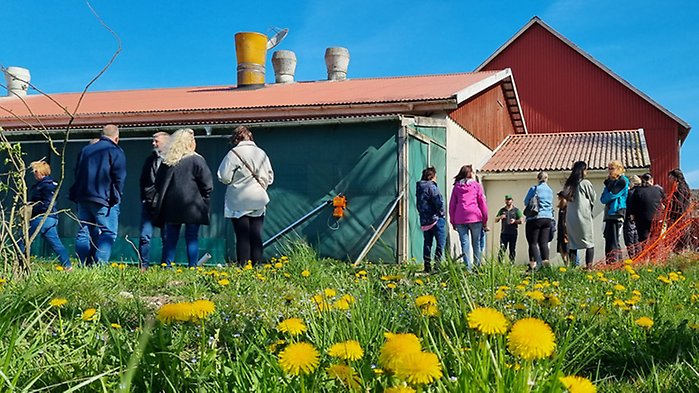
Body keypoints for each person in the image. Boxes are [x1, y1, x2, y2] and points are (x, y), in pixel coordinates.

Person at [153, 128, 213, 267]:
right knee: (192, 237)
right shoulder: (196, 160)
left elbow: (158, 184)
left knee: (171, 238)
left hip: (171, 205)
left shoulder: (167, 161)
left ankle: (167, 265)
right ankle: (193, 266)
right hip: (192, 204)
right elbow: (207, 184)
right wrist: (204, 199)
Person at [69, 124, 126, 265]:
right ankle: (100, 265)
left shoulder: (86, 150)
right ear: (116, 138)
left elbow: (76, 172)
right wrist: (117, 194)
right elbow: (119, 176)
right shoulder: (115, 150)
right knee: (108, 232)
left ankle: (83, 264)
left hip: (83, 196)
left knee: (84, 231)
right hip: (104, 198)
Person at [217, 126, 274, 266]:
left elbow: (223, 176)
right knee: (256, 234)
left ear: (236, 139)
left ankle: (243, 266)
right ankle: (258, 265)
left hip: (238, 198)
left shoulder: (233, 154)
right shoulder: (261, 153)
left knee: (242, 236)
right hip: (258, 197)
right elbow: (270, 177)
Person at [18, 161, 71, 269]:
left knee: (23, 239)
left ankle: (19, 263)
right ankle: (68, 266)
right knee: (56, 243)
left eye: (35, 172)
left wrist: (32, 207)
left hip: (43, 217)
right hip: (51, 218)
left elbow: (47, 204)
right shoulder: (49, 184)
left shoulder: (45, 186)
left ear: (40, 172)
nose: (34, 174)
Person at [138, 131, 170, 269]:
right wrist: (144, 198)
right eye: (153, 141)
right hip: (149, 203)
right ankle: (143, 266)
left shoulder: (173, 160)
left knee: (167, 237)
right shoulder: (150, 159)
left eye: (156, 141)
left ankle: (166, 266)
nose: (153, 143)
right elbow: (143, 180)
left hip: (167, 204)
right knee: (145, 236)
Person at [448, 164, 489, 271]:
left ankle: (468, 268)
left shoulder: (456, 187)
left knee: (464, 243)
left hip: (460, 219)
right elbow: (482, 203)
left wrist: (452, 221)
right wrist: (485, 220)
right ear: (470, 173)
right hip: (475, 217)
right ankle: (477, 267)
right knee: (476, 243)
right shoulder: (476, 185)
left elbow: (452, 205)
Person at [562, 161, 596, 268]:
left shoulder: (568, 184)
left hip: (571, 218)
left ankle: (573, 267)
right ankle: (589, 267)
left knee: (573, 243)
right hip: (583, 217)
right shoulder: (585, 183)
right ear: (582, 170)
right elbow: (593, 197)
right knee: (588, 242)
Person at [415, 167, 445, 273]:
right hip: (435, 219)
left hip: (424, 220)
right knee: (440, 243)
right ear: (431, 176)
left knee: (427, 243)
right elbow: (438, 202)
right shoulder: (431, 187)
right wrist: (442, 213)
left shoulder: (419, 187)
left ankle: (427, 266)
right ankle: (437, 266)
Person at [523, 171, 554, 271]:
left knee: (533, 242)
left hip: (535, 218)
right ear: (547, 179)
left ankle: (533, 266)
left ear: (538, 178)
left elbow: (526, 201)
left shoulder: (534, 189)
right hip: (548, 218)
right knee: (543, 242)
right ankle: (545, 265)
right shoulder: (550, 190)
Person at [600, 160, 629, 264]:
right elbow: (602, 199)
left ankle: (613, 263)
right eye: (608, 168)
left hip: (617, 213)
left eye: (611, 168)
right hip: (609, 214)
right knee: (609, 240)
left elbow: (611, 195)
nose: (609, 171)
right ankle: (616, 263)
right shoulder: (610, 183)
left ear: (619, 168)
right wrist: (608, 186)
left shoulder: (623, 181)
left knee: (613, 241)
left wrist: (608, 189)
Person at [627, 173, 664, 243]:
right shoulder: (658, 190)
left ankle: (646, 253)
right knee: (655, 239)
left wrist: (632, 215)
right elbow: (663, 202)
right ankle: (654, 253)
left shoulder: (638, 191)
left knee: (643, 240)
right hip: (656, 218)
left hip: (642, 219)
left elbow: (633, 205)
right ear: (652, 180)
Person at [667, 168, 691, 251]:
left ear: (675, 178)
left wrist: (672, 216)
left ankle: (681, 251)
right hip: (684, 215)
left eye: (670, 177)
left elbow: (678, 204)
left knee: (679, 236)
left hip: (679, 217)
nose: (669, 180)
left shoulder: (680, 188)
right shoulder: (685, 187)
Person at [495, 194, 523, 262]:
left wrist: (515, 221)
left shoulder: (516, 210)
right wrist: (500, 217)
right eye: (507, 200)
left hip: (513, 233)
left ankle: (511, 264)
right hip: (504, 233)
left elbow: (522, 221)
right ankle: (500, 265)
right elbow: (495, 220)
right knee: (502, 249)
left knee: (512, 249)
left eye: (509, 200)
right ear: (505, 201)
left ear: (512, 200)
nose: (508, 201)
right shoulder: (502, 210)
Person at [623, 175, 641, 257]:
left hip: (629, 219)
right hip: (639, 220)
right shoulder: (641, 192)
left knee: (630, 242)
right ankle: (639, 258)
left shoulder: (630, 193)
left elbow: (628, 206)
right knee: (637, 242)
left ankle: (633, 259)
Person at [555, 191, 574, 266]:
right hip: (561, 230)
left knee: (567, 249)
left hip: (566, 231)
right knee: (561, 249)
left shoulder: (568, 208)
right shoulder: (561, 208)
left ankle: (570, 264)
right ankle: (566, 264)